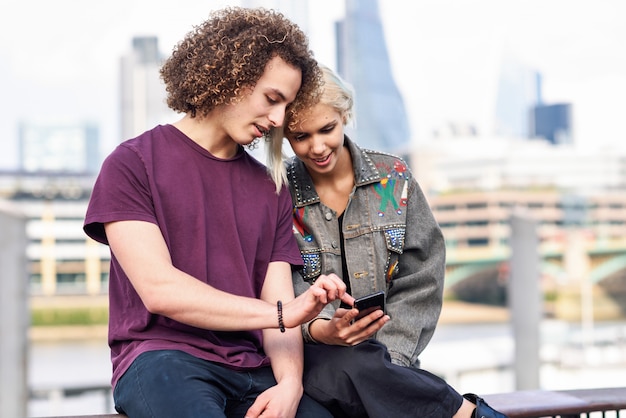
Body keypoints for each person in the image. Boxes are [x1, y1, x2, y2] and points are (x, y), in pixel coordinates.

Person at [83, 8, 354, 418]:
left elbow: (277, 297)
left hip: (251, 369)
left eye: (287, 106)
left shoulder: (272, 187)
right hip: (161, 359)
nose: (279, 119)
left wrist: (291, 385)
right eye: (272, 99)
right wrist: (284, 314)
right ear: (230, 77)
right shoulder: (131, 164)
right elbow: (161, 291)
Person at [267, 65, 508, 418]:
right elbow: (279, 285)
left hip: (386, 366)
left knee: (362, 365)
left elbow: (422, 279)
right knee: (351, 365)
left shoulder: (393, 179)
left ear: (345, 114)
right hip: (312, 354)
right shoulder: (277, 192)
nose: (317, 147)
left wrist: (391, 361)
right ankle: (467, 413)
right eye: (300, 136)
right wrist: (320, 330)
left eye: (327, 129)